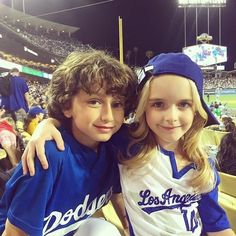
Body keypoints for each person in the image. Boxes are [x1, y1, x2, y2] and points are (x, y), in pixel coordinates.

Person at [21, 53, 234, 235]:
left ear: (196, 110)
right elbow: (85, 124)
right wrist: (50, 123)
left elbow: (216, 224)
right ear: (143, 107)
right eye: (158, 104)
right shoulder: (126, 142)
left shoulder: (203, 164)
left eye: (184, 104)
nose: (171, 117)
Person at [0, 49, 138, 236]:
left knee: (102, 230)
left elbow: (115, 191)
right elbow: (13, 233)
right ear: (67, 106)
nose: (108, 116)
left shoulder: (113, 144)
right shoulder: (50, 154)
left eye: (117, 104)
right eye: (94, 102)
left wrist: (128, 225)